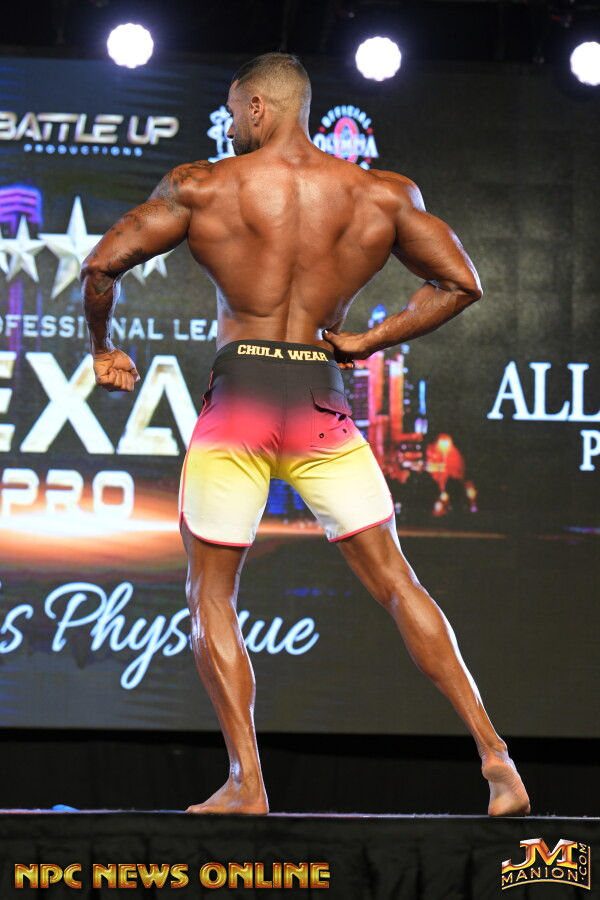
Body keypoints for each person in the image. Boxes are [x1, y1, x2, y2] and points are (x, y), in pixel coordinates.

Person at [80, 52, 530, 817]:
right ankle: (497, 759)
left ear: (258, 106)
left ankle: (247, 782)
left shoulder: (203, 185)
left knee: (210, 592)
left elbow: (101, 267)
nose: (230, 126)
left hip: (241, 402)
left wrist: (103, 348)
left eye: (232, 112)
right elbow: (461, 282)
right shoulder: (380, 194)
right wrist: (370, 340)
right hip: (322, 402)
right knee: (397, 583)